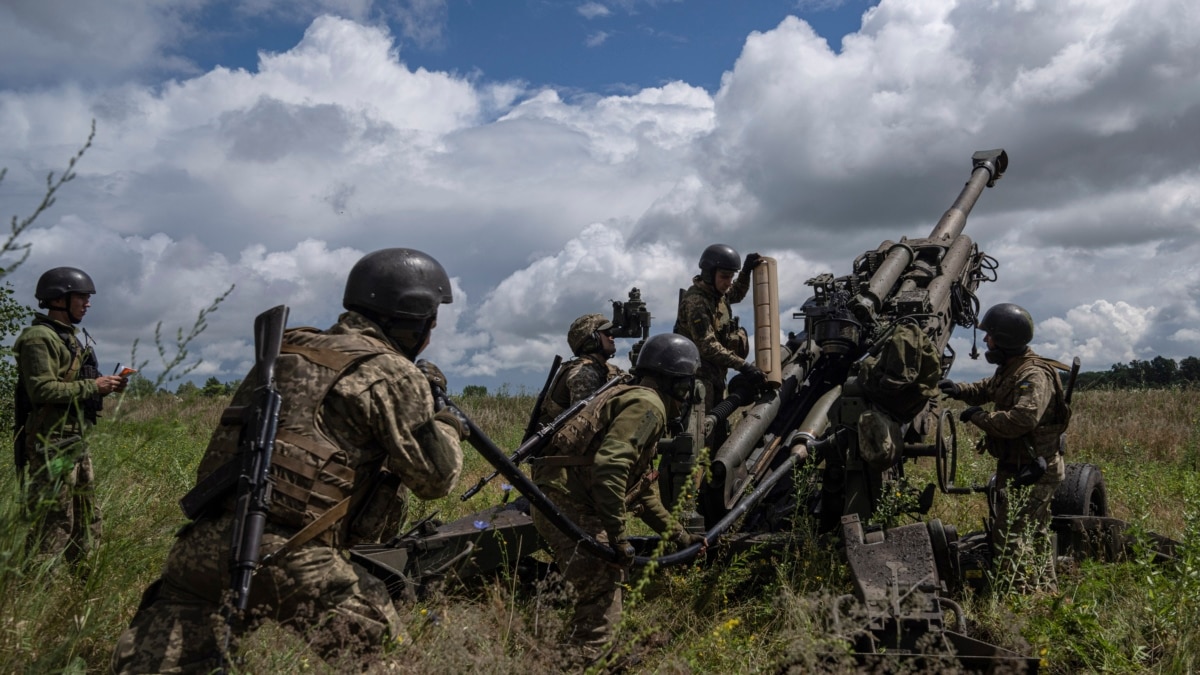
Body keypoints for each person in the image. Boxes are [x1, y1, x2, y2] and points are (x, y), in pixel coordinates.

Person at [112, 248, 466, 672]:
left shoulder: (287, 350)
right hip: (292, 554)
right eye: (432, 322)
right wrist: (447, 424)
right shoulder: (389, 371)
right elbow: (436, 479)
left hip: (201, 546)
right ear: (415, 318)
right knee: (387, 660)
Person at [530, 332, 706, 665]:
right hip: (572, 505)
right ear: (678, 385)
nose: (685, 400)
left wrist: (681, 537)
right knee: (602, 589)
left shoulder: (632, 396)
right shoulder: (649, 406)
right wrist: (617, 537)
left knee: (600, 596)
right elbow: (611, 468)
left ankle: (590, 656)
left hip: (558, 499)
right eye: (685, 390)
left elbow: (642, 493)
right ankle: (582, 662)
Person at [938, 303, 1071, 586]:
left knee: (1009, 536)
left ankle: (1018, 597)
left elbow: (1022, 420)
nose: (986, 340)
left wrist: (980, 417)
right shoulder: (1012, 368)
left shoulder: (1033, 374)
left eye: (990, 335)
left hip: (1035, 470)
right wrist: (959, 390)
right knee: (1035, 532)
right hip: (1021, 468)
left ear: (1006, 339)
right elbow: (988, 388)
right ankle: (1044, 589)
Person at [13, 266, 127, 563]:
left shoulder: (70, 338)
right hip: (51, 445)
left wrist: (108, 386)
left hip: (74, 441)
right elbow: (41, 390)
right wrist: (93, 385)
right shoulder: (39, 338)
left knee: (87, 517)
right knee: (54, 519)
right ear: (59, 299)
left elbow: (76, 384)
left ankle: (82, 586)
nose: (87, 304)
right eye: (82, 297)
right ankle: (35, 595)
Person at [673, 244, 767, 444]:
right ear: (709, 273)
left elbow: (737, 293)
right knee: (699, 438)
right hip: (697, 380)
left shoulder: (718, 296)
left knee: (716, 437)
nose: (728, 283)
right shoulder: (696, 302)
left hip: (715, 378)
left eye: (731, 277)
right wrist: (743, 366)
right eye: (724, 276)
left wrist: (747, 271)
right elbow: (707, 345)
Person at [536, 313, 624, 426]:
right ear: (591, 340)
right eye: (607, 333)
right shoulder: (584, 373)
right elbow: (583, 425)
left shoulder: (606, 369)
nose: (612, 337)